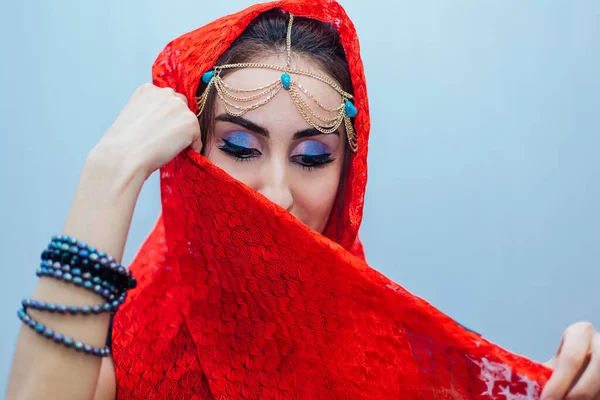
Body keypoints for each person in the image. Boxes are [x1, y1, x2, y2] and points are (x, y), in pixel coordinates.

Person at [6, 1, 599, 399]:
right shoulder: (126, 344)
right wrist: (108, 171)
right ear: (191, 160)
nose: (275, 194)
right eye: (239, 147)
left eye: (312, 158)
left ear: (349, 176)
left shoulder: (396, 365)